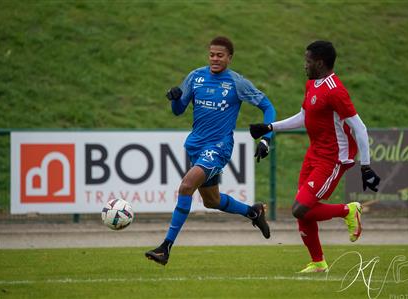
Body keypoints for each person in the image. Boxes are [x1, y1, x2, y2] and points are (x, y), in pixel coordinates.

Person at [249, 40, 380, 273]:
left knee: (300, 208)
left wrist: (366, 166)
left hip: (332, 160)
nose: (304, 65)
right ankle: (318, 262)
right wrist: (270, 127)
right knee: (303, 208)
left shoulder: (335, 91)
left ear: (319, 63)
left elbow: (360, 128)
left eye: (308, 61)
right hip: (314, 153)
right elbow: (303, 116)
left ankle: (348, 210)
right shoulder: (312, 84)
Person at [145, 36, 276, 266]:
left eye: (220, 55)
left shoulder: (237, 83)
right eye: (212, 54)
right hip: (196, 145)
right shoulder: (195, 77)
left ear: (230, 58)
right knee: (211, 201)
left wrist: (266, 138)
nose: (215, 59)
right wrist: (174, 100)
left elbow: (268, 107)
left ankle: (165, 248)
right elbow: (178, 110)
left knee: (186, 186)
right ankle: (253, 212)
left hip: (218, 147)